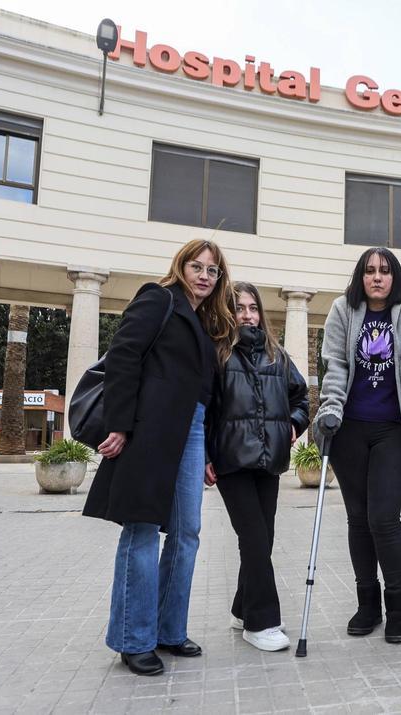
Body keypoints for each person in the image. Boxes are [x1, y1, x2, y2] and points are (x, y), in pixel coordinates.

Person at [83, 239, 233, 676]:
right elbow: (125, 358)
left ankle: (169, 630)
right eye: (197, 266)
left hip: (192, 431)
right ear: (180, 266)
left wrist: (207, 449)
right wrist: (119, 424)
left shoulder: (207, 323)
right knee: (143, 528)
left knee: (188, 532)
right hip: (149, 429)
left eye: (213, 270)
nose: (205, 276)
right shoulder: (158, 299)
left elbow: (205, 391)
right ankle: (134, 639)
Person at [313, 247, 401, 644]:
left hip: (393, 430)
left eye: (384, 271)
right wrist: (330, 407)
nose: (377, 277)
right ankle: (367, 604)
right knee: (357, 518)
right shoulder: (342, 310)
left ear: (395, 276)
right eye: (369, 271)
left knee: (383, 518)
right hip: (350, 428)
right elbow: (335, 364)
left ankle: (398, 605)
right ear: (360, 277)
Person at [203, 282, 310, 652]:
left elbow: (301, 396)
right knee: (253, 537)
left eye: (253, 308)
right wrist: (204, 455)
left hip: (269, 461)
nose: (248, 315)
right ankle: (261, 622)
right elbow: (202, 409)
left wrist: (293, 426)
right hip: (232, 461)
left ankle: (241, 607)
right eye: (239, 308)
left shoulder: (275, 355)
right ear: (226, 312)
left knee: (263, 537)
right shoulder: (216, 354)